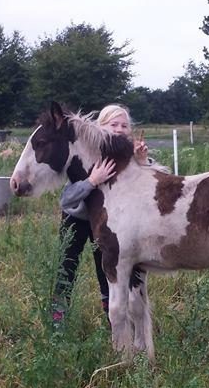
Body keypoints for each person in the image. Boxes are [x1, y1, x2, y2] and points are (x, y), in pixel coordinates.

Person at [51, 104, 147, 326]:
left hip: (106, 224)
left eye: (124, 125)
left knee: (106, 269)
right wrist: (92, 181)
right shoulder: (87, 153)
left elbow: (143, 189)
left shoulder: (128, 154)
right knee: (67, 265)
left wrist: (141, 162)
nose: (119, 129)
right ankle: (57, 319)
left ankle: (112, 319)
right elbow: (66, 199)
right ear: (100, 127)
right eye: (113, 124)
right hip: (76, 219)